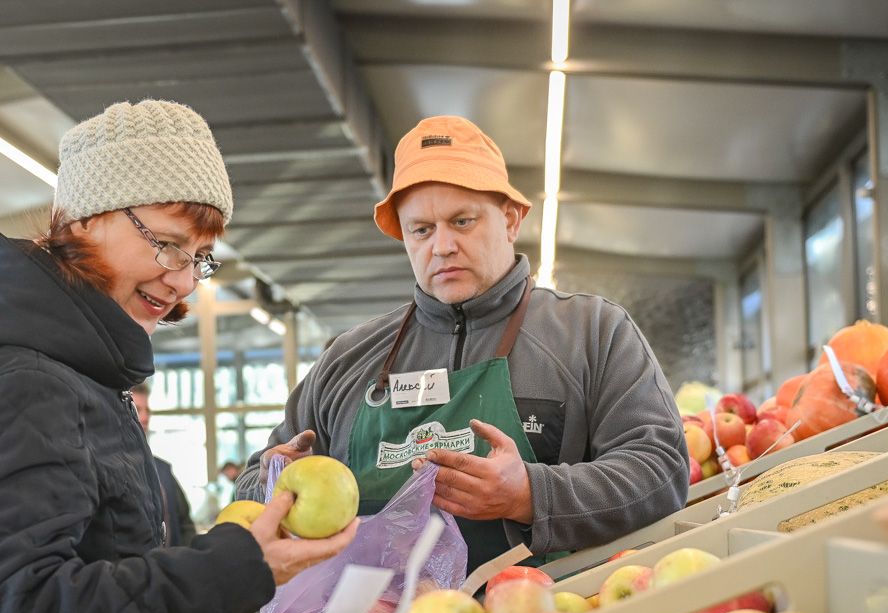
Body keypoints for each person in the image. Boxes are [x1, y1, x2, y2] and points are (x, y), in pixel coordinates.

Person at [0, 99, 355, 613]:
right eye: (167, 245)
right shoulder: (21, 376)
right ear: (85, 216)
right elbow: (17, 611)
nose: (184, 281)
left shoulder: (66, 364)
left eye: (199, 257)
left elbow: (67, 569)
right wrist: (237, 567)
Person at [235, 115, 688, 568]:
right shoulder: (347, 359)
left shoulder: (591, 332)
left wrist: (531, 494)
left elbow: (660, 470)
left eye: (462, 221)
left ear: (510, 220)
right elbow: (256, 480)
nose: (442, 246)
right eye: (421, 230)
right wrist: (273, 483)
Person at [128, 379, 196, 546]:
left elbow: (184, 523)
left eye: (147, 410)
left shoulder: (162, 470)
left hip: (171, 567)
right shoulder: (108, 467)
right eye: (137, 409)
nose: (144, 417)